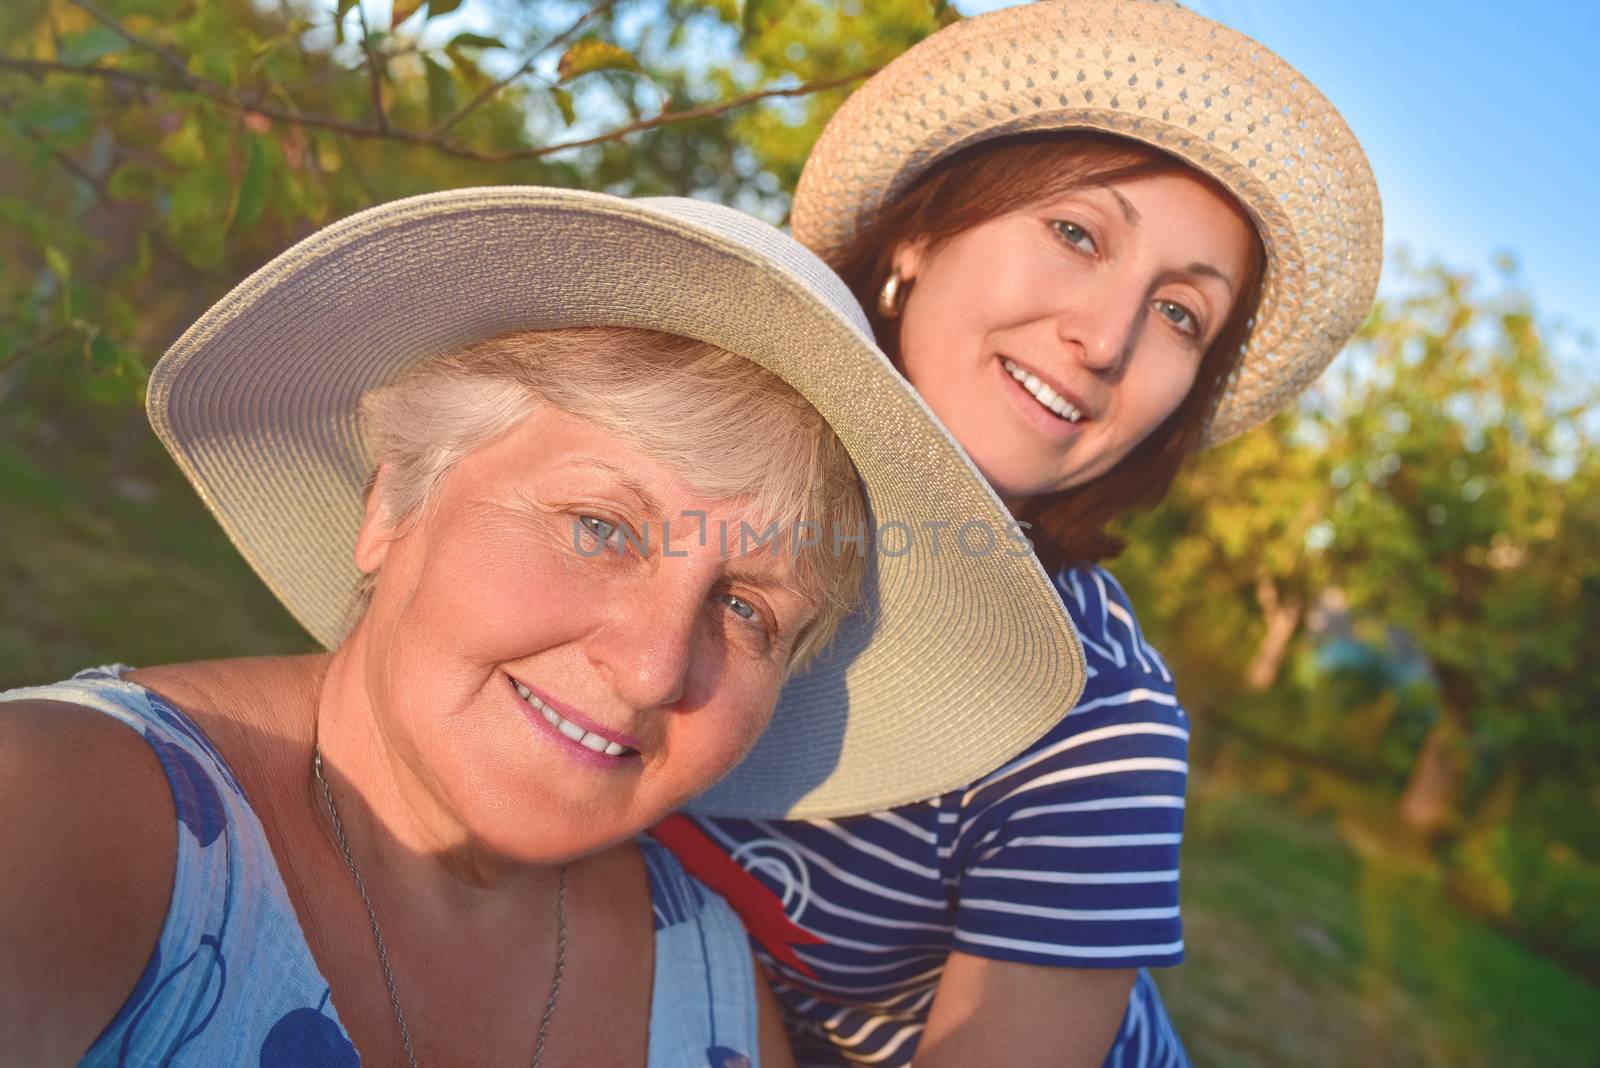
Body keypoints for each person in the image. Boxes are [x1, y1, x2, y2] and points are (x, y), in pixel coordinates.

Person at [0, 188, 1088, 1066]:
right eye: (602, 527)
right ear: (393, 503)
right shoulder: (65, 815)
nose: (656, 666)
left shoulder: (705, 971)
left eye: (747, 607)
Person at [670, 2, 1383, 1065]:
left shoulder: (1093, 722)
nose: (1103, 340)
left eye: (1181, 313)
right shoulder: (684, 478)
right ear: (918, 234)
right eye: (1076, 233)